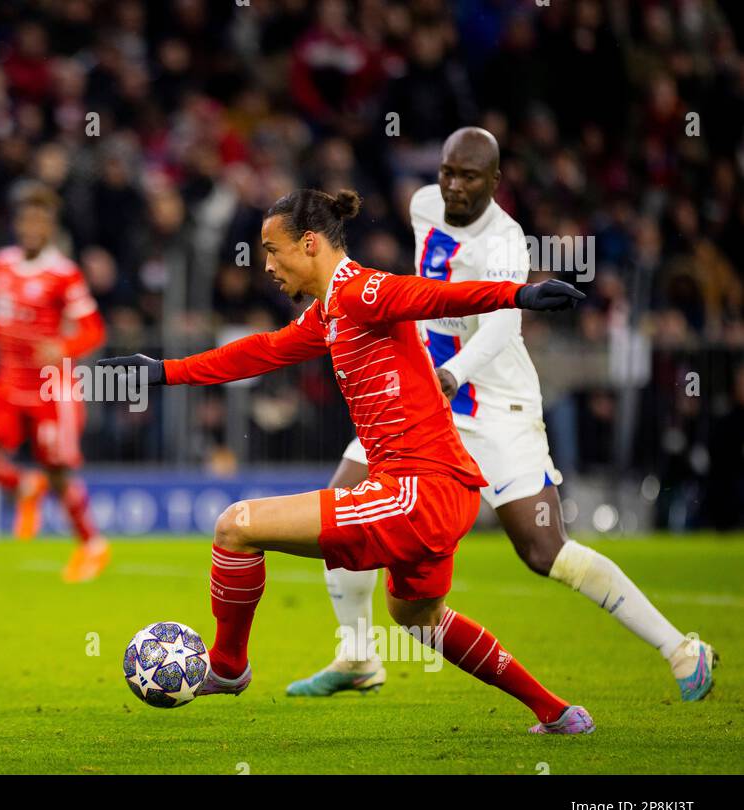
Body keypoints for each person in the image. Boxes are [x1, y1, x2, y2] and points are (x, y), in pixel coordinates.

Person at [100, 188, 596, 733]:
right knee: (419, 618)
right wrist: (165, 370)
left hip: (416, 491)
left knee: (236, 526)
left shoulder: (363, 291)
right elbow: (260, 351)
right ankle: (556, 712)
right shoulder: (329, 313)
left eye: (272, 249)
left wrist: (520, 295)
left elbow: (431, 296)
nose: (265, 265)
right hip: (439, 489)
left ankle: (227, 666)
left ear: (309, 243)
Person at [286, 128, 714, 702]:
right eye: (447, 172)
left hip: (494, 406)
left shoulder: (507, 241)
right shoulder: (422, 204)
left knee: (544, 552)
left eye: (468, 176)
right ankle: (359, 654)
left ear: (495, 181)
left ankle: (681, 649)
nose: (454, 186)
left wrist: (453, 373)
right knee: (339, 506)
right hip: (420, 405)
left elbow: (504, 323)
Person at [0, 184, 110, 583]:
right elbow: (5, 319)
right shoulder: (2, 263)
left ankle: (92, 544)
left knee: (57, 473)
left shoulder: (63, 273)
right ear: (18, 224)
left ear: (50, 227)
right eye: (26, 220)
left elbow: (94, 330)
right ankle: (22, 485)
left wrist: (64, 347)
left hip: (50, 388)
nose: (32, 227)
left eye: (40, 221)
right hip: (8, 383)